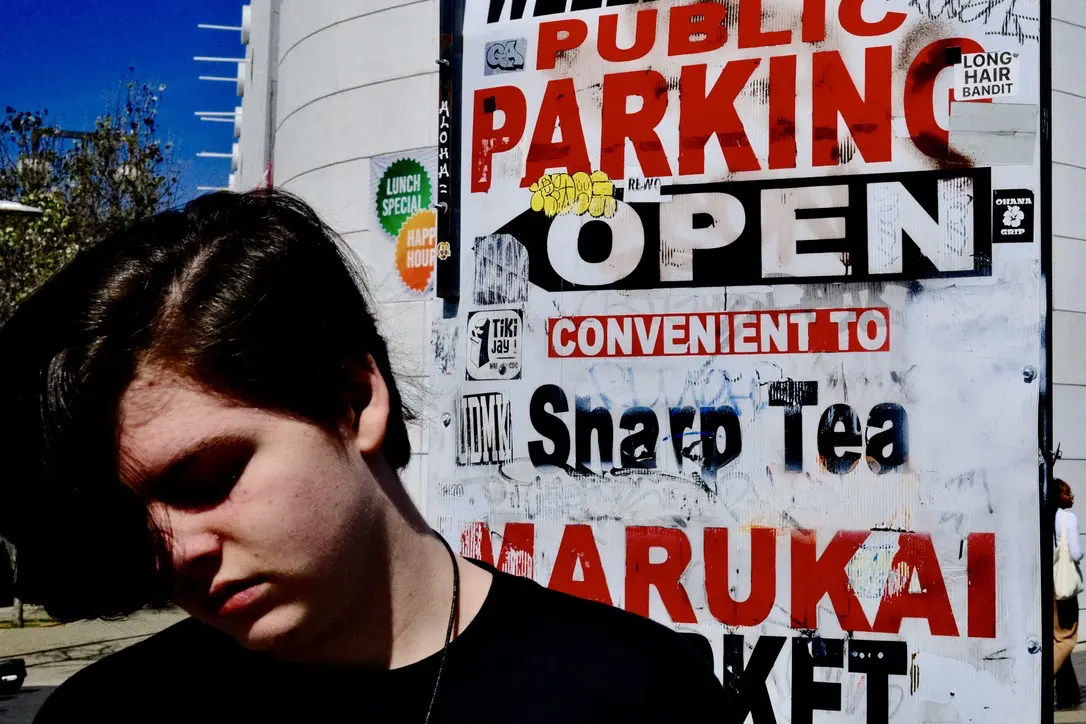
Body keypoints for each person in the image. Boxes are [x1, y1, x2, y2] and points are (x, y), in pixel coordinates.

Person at [0, 190, 726, 723]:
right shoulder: (106, 718)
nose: (177, 551)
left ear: (356, 399)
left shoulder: (637, 696)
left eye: (207, 480)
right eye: (137, 518)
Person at [1055, 478, 1083, 709]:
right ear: (1058, 496)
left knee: (1055, 637)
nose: (1072, 496)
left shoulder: (1043, 517)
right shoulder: (1067, 518)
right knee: (1066, 639)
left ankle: (1068, 694)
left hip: (1048, 587)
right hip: (1064, 589)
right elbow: (1076, 553)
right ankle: (1043, 678)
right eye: (1067, 492)